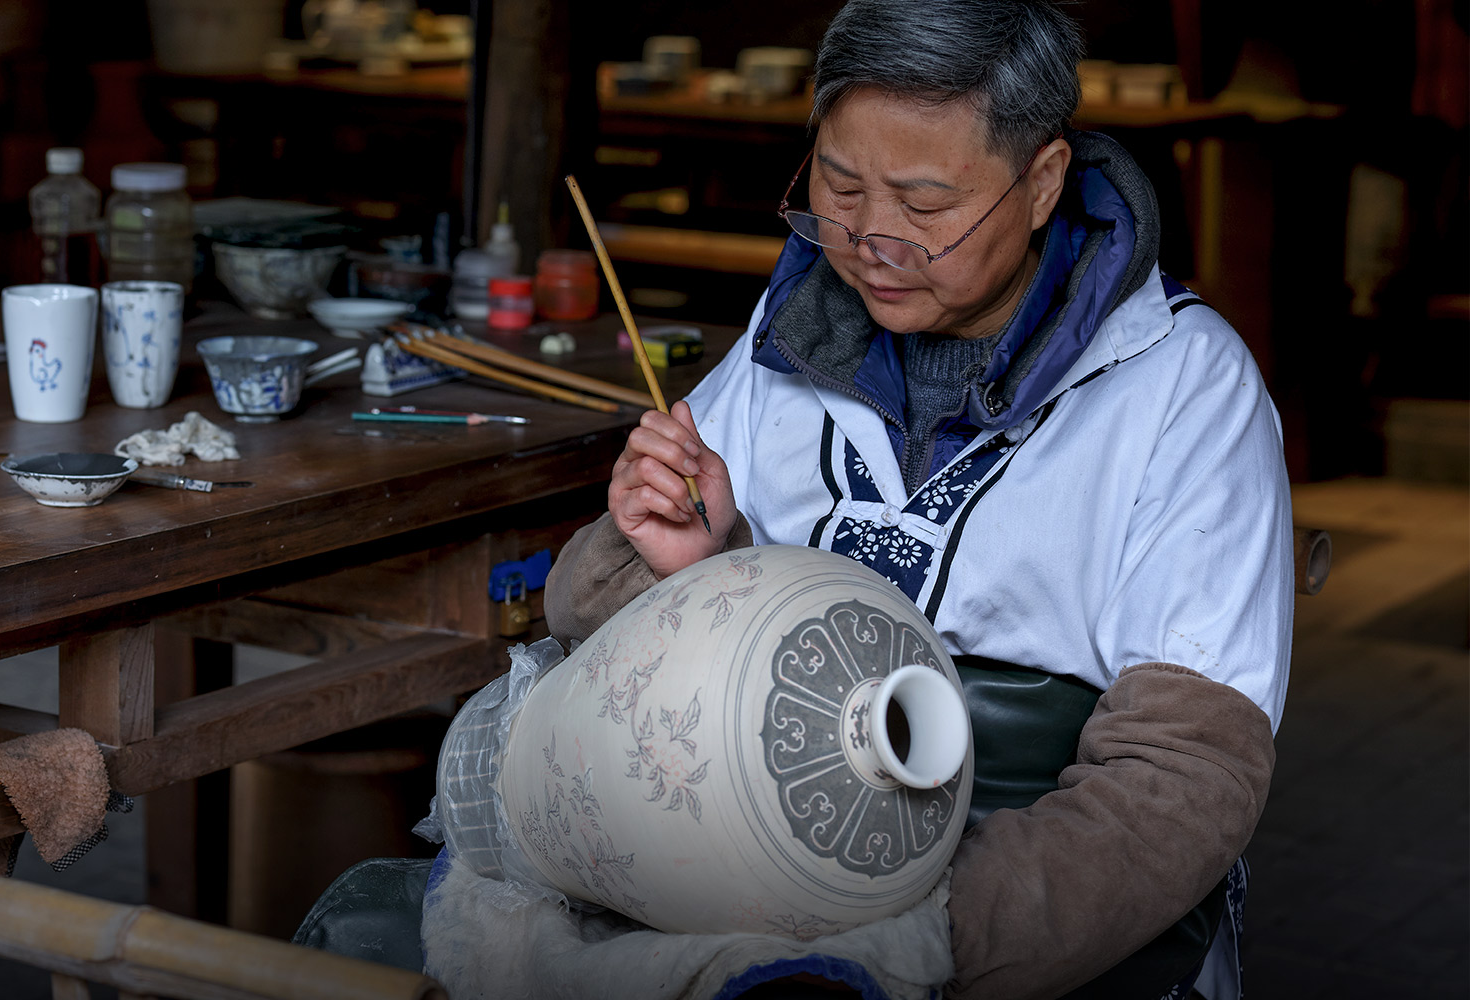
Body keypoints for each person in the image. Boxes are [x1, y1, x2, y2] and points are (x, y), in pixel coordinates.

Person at [543, 2, 1290, 998]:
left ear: (1041, 183)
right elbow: (594, 633)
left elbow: (1183, 774)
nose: (870, 240)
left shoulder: (1181, 386)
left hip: (1033, 921)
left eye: (925, 205)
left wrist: (915, 949)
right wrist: (688, 571)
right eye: (840, 186)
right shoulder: (797, 326)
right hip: (755, 869)